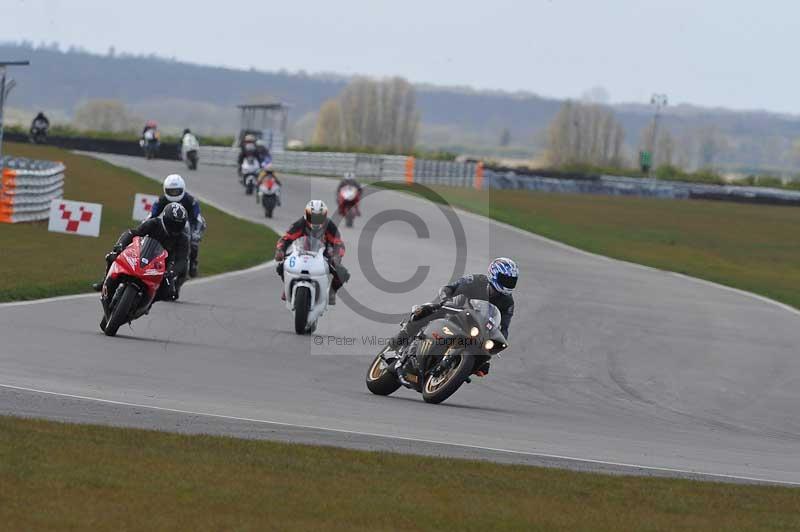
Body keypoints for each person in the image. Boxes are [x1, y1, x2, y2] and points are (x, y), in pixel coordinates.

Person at [390, 257, 519, 377]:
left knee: (483, 358)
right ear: (494, 274)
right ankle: (399, 341)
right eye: (505, 279)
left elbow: (504, 328)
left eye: (512, 281)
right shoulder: (476, 280)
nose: (508, 283)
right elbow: (448, 288)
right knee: (424, 311)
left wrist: (497, 343)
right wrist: (444, 301)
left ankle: (454, 369)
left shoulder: (508, 302)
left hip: (476, 328)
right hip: (454, 311)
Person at [93, 202, 190, 303]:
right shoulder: (153, 223)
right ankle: (105, 282)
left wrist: (171, 272)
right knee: (112, 257)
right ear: (165, 219)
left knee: (168, 292)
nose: (174, 228)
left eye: (178, 225)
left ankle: (148, 303)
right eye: (172, 224)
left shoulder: (183, 239)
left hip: (164, 263)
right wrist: (120, 246)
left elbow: (182, 260)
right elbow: (133, 233)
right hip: (143, 252)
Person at [274, 200, 349, 305]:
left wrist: (337, 256)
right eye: (312, 216)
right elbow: (286, 238)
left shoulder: (329, 225)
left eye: (319, 217)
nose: (315, 220)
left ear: (324, 216)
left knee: (342, 273)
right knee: (281, 266)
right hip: (301, 251)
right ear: (306, 214)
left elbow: (338, 243)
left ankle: (332, 292)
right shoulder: (300, 223)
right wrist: (280, 250)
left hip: (324, 254)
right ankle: (287, 286)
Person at [149, 174, 205, 278]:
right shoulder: (161, 200)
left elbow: (198, 219)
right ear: (165, 190)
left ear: (182, 189)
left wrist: (196, 232)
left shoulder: (191, 200)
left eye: (176, 191)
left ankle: (193, 264)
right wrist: (146, 224)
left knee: (194, 243)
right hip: (168, 225)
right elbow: (151, 215)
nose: (174, 193)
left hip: (187, 227)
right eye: (171, 191)